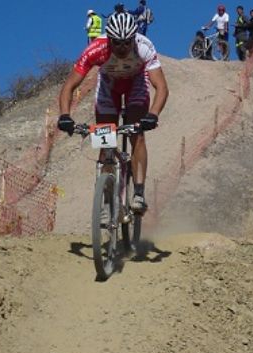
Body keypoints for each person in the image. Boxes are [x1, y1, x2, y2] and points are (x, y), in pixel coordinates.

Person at [57, 13, 169, 213]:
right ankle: (107, 201)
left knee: (137, 134)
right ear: (109, 39)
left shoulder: (144, 47)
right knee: (105, 139)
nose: (122, 47)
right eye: (117, 42)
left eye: (127, 42)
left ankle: (139, 193)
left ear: (134, 38)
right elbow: (69, 86)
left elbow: (161, 87)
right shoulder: (95, 49)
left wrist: (153, 115)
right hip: (109, 87)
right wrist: (65, 115)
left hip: (136, 84)